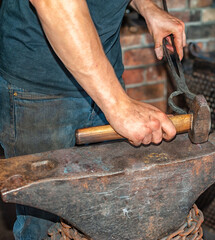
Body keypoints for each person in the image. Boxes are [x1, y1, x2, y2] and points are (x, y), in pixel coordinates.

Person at [0, 0, 186, 239]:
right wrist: (117, 105)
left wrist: (147, 7)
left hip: (104, 74)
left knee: (111, 208)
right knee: (44, 224)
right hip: (40, 88)